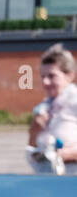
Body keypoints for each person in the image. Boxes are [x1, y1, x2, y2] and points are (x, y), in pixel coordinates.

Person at [27, 43, 77, 173]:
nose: (45, 82)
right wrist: (34, 132)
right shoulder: (43, 108)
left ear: (70, 75)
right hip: (48, 181)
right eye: (43, 76)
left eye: (51, 76)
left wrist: (71, 154)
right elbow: (32, 150)